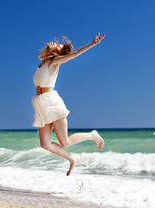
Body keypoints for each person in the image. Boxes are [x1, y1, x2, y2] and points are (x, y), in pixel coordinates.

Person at [31, 33, 106, 176]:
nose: (54, 43)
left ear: (59, 53)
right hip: (40, 105)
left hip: (51, 102)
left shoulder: (55, 61)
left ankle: (92, 135)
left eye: (58, 45)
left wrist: (93, 43)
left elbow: (75, 54)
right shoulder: (42, 64)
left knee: (65, 141)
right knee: (45, 144)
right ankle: (72, 158)